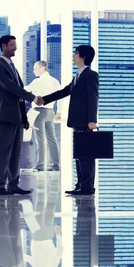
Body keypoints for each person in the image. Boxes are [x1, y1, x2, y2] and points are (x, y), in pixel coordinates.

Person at [41, 45, 99, 195]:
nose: (74, 56)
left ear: (83, 57)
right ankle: (81, 185)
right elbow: (65, 91)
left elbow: (93, 98)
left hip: (85, 121)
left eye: (76, 53)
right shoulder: (78, 75)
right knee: (80, 154)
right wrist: (45, 99)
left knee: (85, 155)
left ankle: (87, 187)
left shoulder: (91, 75)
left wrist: (92, 120)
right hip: (77, 121)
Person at [0, 35, 42, 196]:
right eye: (12, 45)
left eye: (15, 44)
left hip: (17, 117)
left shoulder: (12, 66)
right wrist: (33, 98)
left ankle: (13, 184)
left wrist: (25, 117)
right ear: (3, 46)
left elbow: (18, 92)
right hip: (6, 115)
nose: (15, 47)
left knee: (15, 153)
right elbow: (11, 87)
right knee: (3, 152)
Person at [25, 60, 62, 172]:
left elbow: (25, 90)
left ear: (42, 68)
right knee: (52, 139)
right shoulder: (54, 81)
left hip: (38, 112)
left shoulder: (37, 82)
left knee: (40, 139)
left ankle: (40, 165)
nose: (34, 71)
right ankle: (56, 165)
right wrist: (59, 112)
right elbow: (60, 97)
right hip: (50, 112)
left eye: (35, 68)